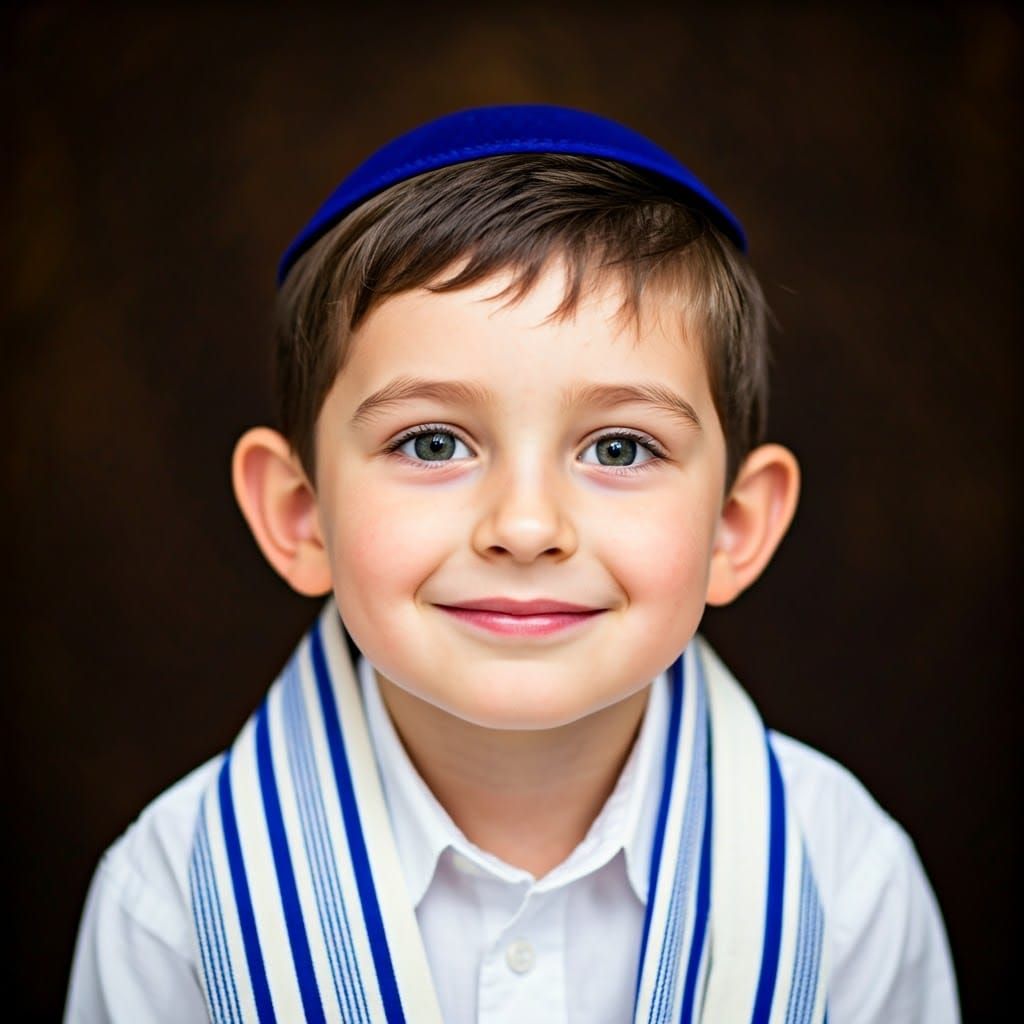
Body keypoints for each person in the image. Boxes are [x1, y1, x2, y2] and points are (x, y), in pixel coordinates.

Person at [64, 105, 960, 1024]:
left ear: (734, 527)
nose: (526, 527)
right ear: (302, 517)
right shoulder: (175, 898)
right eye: (432, 441)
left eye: (618, 449)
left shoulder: (842, 880)